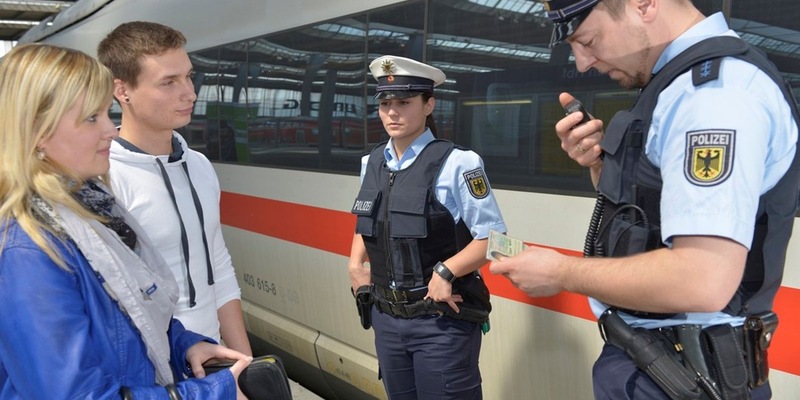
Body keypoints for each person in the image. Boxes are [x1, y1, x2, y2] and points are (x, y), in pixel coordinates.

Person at [491, 1, 800, 399]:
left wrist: (561, 272)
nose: (583, 63)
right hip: (661, 363)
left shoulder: (714, 97)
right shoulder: (676, 85)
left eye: (588, 40)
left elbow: (701, 279)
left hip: (684, 375)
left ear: (645, 4)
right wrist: (603, 167)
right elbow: (654, 216)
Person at [0, 43, 252, 399]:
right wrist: (211, 392)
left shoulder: (91, 208)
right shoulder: (28, 249)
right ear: (38, 132)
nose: (111, 130)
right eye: (92, 118)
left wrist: (184, 344)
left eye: (106, 114)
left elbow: (126, 315)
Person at [348, 55, 507, 400]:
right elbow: (369, 221)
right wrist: (354, 264)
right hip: (386, 320)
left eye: (404, 103)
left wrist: (447, 271)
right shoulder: (371, 162)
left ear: (428, 104)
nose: (392, 112)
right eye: (385, 103)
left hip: (440, 323)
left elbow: (494, 239)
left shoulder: (458, 163)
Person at [97, 21, 252, 356]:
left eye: (188, 76)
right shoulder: (104, 179)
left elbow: (218, 266)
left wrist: (245, 363)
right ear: (122, 91)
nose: (190, 93)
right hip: (153, 366)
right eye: (169, 82)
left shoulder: (199, 166)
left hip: (211, 358)